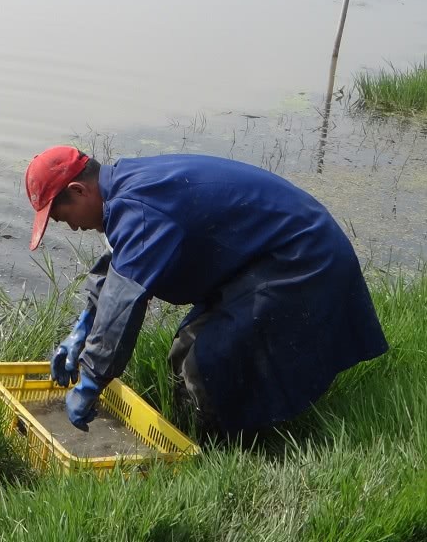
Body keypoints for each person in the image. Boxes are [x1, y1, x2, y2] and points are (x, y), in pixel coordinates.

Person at [25, 146, 388, 436]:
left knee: (208, 361)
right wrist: (82, 327)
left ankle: (225, 450)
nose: (71, 228)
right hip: (263, 257)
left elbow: (123, 303)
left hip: (303, 257)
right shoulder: (124, 187)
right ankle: (195, 435)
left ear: (78, 190)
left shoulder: (138, 206)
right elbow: (119, 266)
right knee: (184, 351)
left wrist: (90, 381)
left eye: (62, 217)